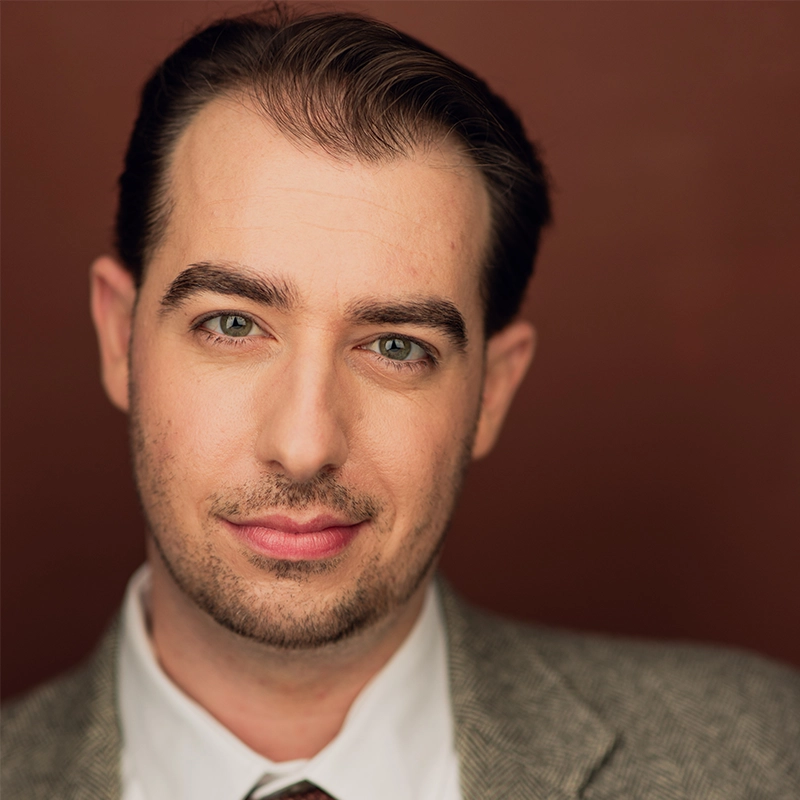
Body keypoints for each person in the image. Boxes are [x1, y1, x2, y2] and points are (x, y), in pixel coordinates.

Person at [2, 7, 798, 799]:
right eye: (234, 324)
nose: (306, 443)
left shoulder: (765, 753)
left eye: (395, 346)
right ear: (119, 338)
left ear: (492, 391)